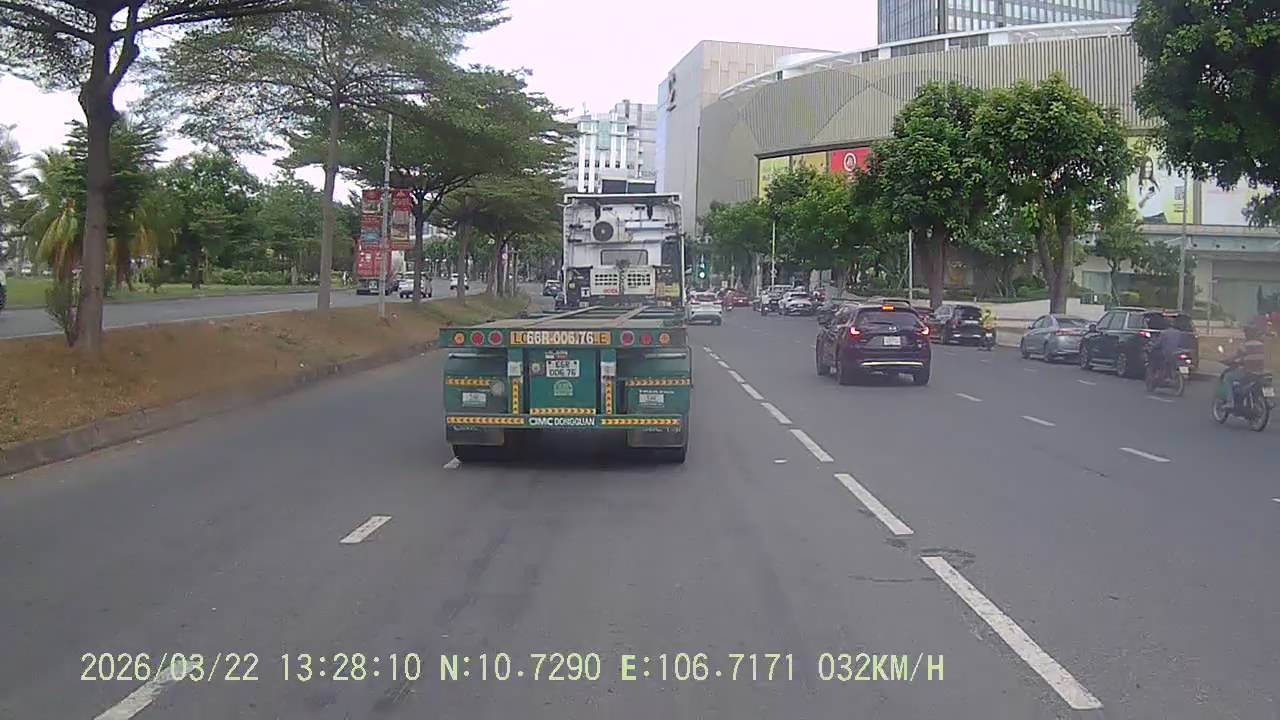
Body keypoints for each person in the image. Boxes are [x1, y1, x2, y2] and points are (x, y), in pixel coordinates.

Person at [1221, 325, 1267, 409]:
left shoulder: (1245, 345)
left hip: (1248, 372)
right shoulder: (1261, 344)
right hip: (1260, 372)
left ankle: (1230, 402)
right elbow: (1253, 356)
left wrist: (1226, 360)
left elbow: (1236, 355)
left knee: (1228, 377)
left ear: (1248, 334)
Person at [1146, 315, 1192, 381]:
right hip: (1178, 352)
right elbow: (1183, 343)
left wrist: (1152, 346)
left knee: (1160, 360)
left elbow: (1158, 344)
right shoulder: (1179, 333)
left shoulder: (1164, 333)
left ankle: (1162, 375)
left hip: (1167, 353)